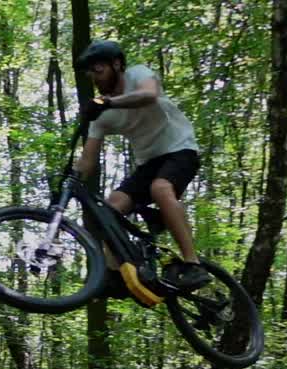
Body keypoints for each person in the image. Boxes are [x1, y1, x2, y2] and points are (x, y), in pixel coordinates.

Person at [73, 40, 209, 292]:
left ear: (117, 65)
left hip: (181, 149)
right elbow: (88, 159)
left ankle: (193, 264)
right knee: (110, 207)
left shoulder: (138, 75)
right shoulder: (101, 113)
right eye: (90, 73)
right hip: (148, 163)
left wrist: (108, 103)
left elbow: (149, 95)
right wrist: (69, 181)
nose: (94, 77)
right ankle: (116, 274)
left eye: (98, 70)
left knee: (160, 188)